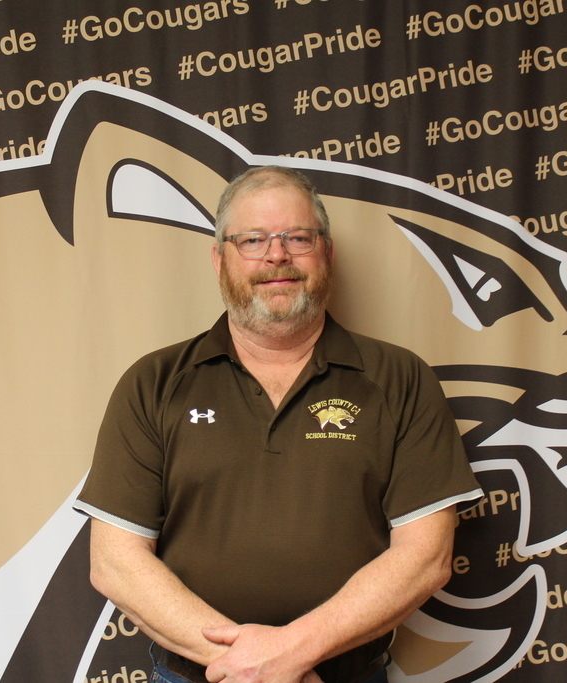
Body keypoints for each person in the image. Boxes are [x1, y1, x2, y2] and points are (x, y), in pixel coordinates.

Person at [74, 166, 483, 683]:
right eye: (253, 240)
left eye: (298, 237)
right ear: (220, 260)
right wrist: (246, 668)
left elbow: (426, 558)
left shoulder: (400, 379)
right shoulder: (153, 383)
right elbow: (115, 563)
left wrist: (291, 654)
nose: (277, 255)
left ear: (327, 253)